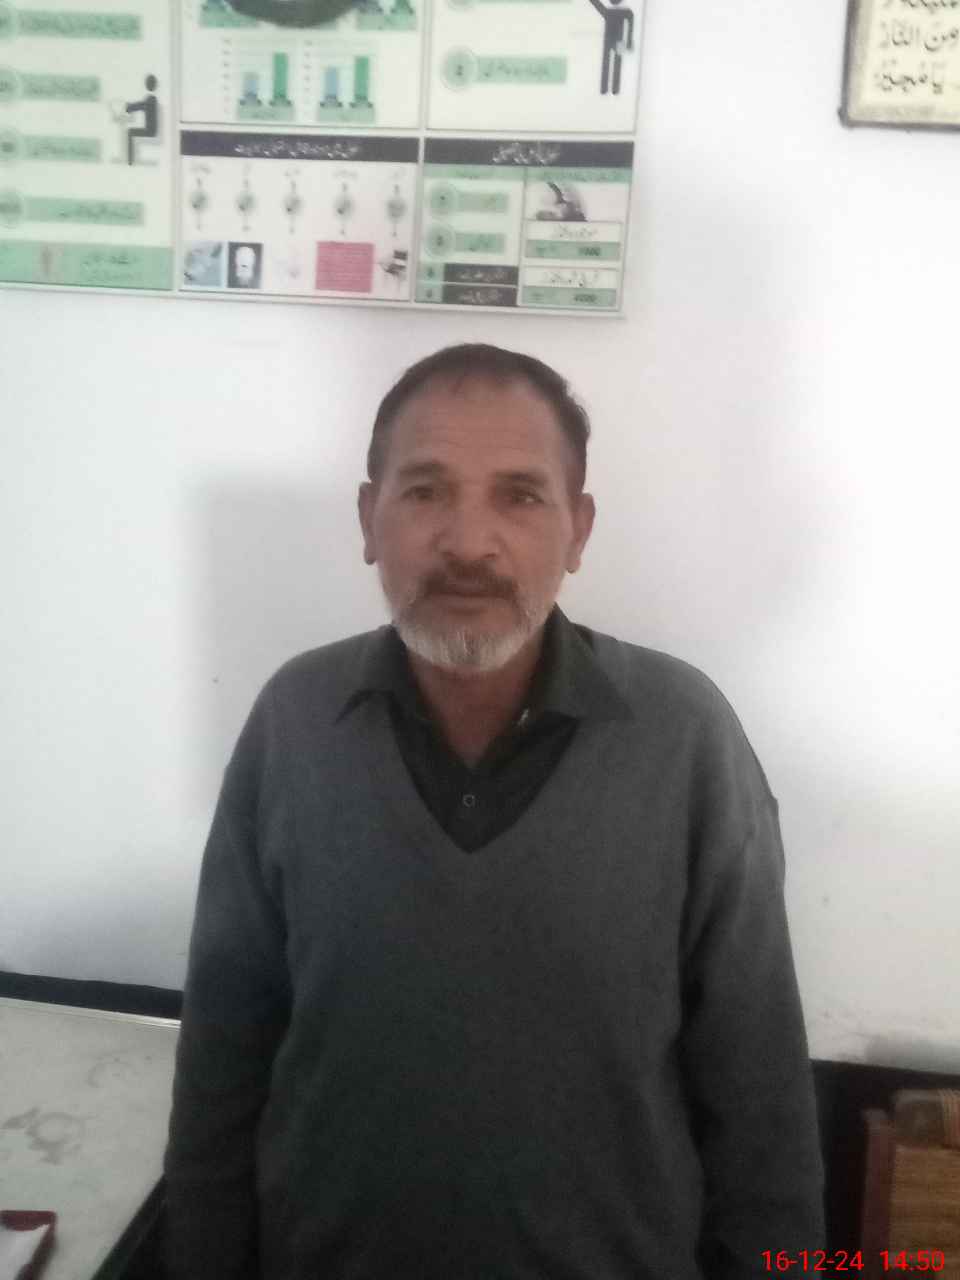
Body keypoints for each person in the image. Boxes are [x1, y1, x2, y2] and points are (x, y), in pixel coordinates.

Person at [163, 343, 824, 1279]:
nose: (469, 542)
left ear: (578, 530)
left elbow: (761, 1097)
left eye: (519, 495)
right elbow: (223, 1059)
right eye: (425, 491)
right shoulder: (293, 721)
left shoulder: (685, 739)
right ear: (369, 518)